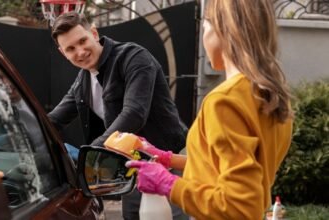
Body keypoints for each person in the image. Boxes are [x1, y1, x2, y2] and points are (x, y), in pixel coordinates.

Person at [125, 0, 294, 219]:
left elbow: (241, 207)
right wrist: (167, 159)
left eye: (205, 27)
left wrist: (166, 184)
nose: (203, 38)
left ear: (222, 30)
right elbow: (221, 170)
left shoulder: (224, 102)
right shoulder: (269, 96)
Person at [47, 11, 188, 220]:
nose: (80, 51)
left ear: (93, 33)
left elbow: (134, 114)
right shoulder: (82, 82)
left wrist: (92, 153)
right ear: (63, 53)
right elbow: (54, 120)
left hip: (169, 160)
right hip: (132, 167)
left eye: (82, 40)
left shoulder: (133, 57)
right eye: (71, 49)